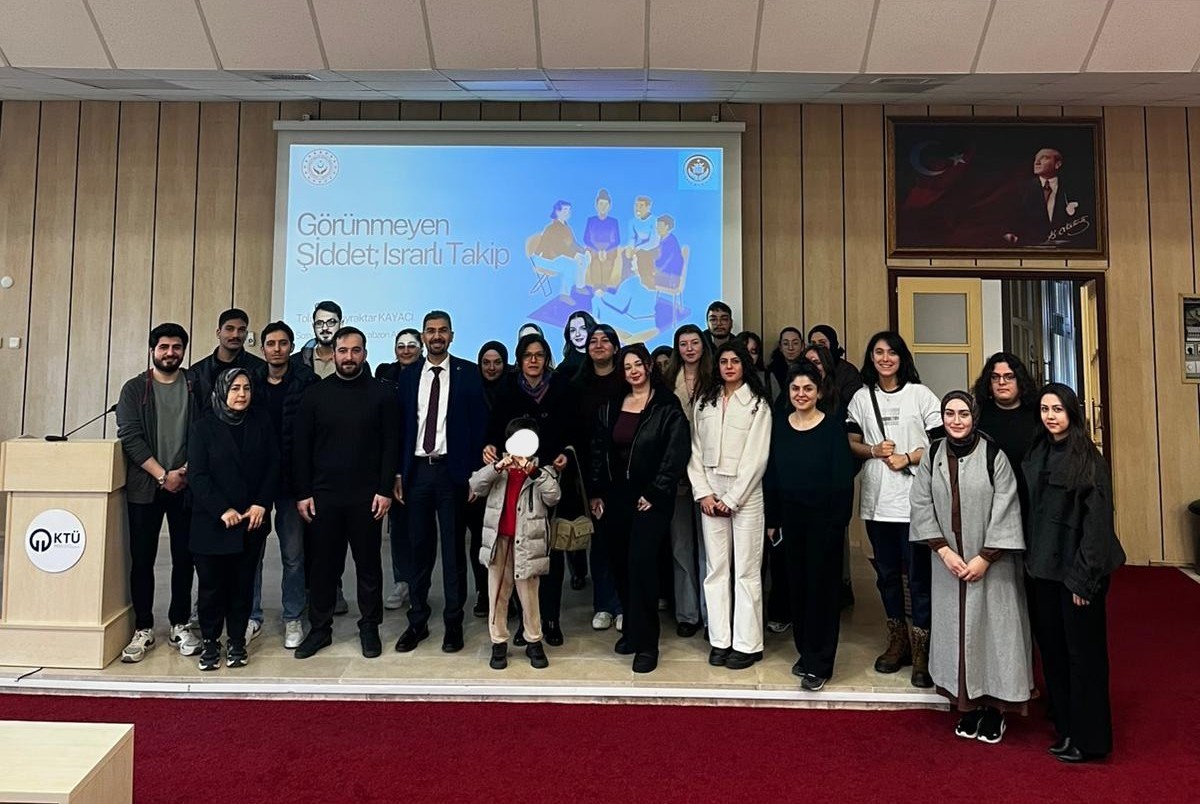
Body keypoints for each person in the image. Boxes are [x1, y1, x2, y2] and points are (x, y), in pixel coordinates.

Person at [909, 391, 1033, 743]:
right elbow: (920, 502)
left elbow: (1007, 507)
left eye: (963, 413)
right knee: (957, 634)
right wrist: (943, 551)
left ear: (974, 417)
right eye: (949, 413)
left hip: (991, 564)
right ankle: (969, 706)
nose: (956, 420)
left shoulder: (994, 455)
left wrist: (985, 557)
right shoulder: (932, 454)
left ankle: (996, 709)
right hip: (949, 563)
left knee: (995, 634)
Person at [1023, 383, 1125, 763]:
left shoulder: (1089, 459)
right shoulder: (1038, 451)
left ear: (1072, 413)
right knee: (1053, 652)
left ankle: (1090, 739)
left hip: (1079, 571)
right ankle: (1067, 728)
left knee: (1084, 657)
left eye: (1058, 409)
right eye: (1045, 409)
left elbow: (1097, 526)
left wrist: (1084, 578)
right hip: (1044, 569)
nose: (1050, 416)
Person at [292, 326, 399, 659]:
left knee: (368, 567)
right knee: (323, 568)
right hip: (324, 497)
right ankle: (320, 629)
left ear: (365, 354)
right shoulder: (315, 395)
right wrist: (303, 492)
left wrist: (385, 490)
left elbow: (390, 446)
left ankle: (369, 626)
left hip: (368, 498)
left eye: (355, 350)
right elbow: (301, 448)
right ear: (333, 354)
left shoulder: (383, 394)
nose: (349, 357)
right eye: (343, 351)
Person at [846, 331, 943, 688]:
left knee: (918, 578)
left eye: (891, 352)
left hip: (913, 503)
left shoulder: (920, 394)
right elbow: (851, 442)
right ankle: (897, 641)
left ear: (902, 357)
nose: (885, 358)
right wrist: (873, 451)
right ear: (870, 358)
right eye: (878, 352)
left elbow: (940, 440)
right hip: (877, 502)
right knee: (886, 575)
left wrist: (909, 457)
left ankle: (923, 650)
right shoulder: (861, 397)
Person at [589, 344, 690, 673]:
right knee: (620, 565)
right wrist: (596, 493)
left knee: (641, 566)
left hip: (650, 499)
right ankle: (632, 631)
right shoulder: (611, 405)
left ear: (648, 366)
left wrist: (656, 491)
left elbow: (676, 452)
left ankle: (647, 645)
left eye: (637, 365)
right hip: (615, 498)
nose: (632, 371)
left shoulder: (666, 404)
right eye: (626, 366)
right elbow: (598, 450)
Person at [394, 311, 488, 654]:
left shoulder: (468, 373)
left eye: (442, 331)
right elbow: (401, 427)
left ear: (452, 335)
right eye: (431, 331)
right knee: (418, 550)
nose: (436, 336)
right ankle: (417, 621)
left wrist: (476, 476)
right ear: (423, 336)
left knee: (453, 552)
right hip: (417, 472)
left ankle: (453, 623)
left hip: (453, 473)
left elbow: (480, 426)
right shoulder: (409, 375)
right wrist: (398, 473)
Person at [764, 361, 856, 691]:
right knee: (798, 590)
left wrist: (837, 523)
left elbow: (843, 481)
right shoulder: (779, 426)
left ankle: (820, 663)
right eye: (795, 388)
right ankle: (805, 652)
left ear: (819, 392)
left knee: (822, 594)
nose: (801, 394)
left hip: (825, 524)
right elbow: (772, 475)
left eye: (808, 388)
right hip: (790, 521)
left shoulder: (831, 429)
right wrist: (773, 519)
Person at [116, 323, 205, 662]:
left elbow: (206, 430)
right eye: (164, 347)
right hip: (146, 488)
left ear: (184, 350)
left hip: (187, 485)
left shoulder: (196, 385)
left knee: (185, 558)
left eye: (176, 347)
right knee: (142, 559)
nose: (170, 353)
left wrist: (184, 472)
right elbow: (130, 437)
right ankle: (143, 628)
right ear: (152, 350)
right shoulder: (134, 389)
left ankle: (180, 623)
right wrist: (163, 475)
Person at [484, 332, 573, 646]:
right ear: (519, 360)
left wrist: (566, 452)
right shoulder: (508, 389)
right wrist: (489, 446)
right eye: (527, 355)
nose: (533, 360)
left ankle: (551, 619)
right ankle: (526, 624)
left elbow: (574, 428)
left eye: (539, 355)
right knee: (519, 557)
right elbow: (494, 429)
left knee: (548, 552)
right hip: (517, 479)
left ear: (546, 358)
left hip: (548, 475)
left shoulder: (561, 386)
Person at [187, 369, 279, 670]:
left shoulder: (262, 421)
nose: (241, 394)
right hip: (212, 522)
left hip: (251, 521)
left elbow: (273, 465)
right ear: (222, 391)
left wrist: (262, 504)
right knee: (211, 587)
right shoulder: (203, 427)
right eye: (235, 388)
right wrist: (221, 509)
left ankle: (237, 641)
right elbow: (198, 476)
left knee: (242, 585)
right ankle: (210, 641)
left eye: (246, 388)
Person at [689, 340, 773, 670]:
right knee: (716, 569)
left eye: (735, 361)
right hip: (711, 491)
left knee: (747, 570)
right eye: (723, 361)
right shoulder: (704, 401)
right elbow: (694, 450)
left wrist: (733, 498)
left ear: (744, 365)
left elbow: (757, 456)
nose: (728, 367)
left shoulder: (757, 404)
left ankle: (747, 644)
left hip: (745, 493)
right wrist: (703, 493)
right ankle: (720, 640)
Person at [470, 417, 562, 671]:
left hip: (528, 542)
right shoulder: (498, 467)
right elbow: (475, 485)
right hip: (499, 540)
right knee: (498, 593)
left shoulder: (542, 470)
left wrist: (533, 472)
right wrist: (497, 466)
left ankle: (534, 641)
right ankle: (498, 642)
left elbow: (554, 496)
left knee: (529, 595)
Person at [249, 321, 317, 649]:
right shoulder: (249, 381)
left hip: (293, 482)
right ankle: (251, 615)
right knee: (253, 553)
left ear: (291, 347)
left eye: (283, 343)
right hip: (257, 481)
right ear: (263, 348)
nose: (277, 349)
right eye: (271, 344)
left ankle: (293, 616)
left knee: (293, 555)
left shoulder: (308, 381)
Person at [571, 325, 625, 631]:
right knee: (601, 543)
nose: (599, 345)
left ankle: (622, 604)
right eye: (593, 340)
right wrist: (589, 487)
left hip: (625, 476)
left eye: (606, 340)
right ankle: (603, 604)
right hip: (591, 476)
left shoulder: (627, 383)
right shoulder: (577, 386)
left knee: (623, 543)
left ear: (616, 347)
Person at [662, 325, 713, 637]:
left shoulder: (715, 379)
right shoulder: (667, 382)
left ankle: (711, 615)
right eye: (684, 344)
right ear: (676, 348)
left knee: (709, 547)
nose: (690, 348)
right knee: (681, 544)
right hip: (677, 473)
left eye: (695, 343)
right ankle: (687, 613)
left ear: (703, 346)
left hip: (710, 474)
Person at [803, 341, 857, 611]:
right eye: (807, 363)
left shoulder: (839, 402)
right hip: (800, 492)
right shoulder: (791, 400)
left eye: (817, 362)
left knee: (830, 554)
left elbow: (846, 455)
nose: (812, 367)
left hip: (830, 492)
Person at [463, 340, 510, 615]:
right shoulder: (470, 391)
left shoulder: (513, 391)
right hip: (478, 478)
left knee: (506, 539)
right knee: (481, 539)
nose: (491, 368)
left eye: (497, 362)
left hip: (508, 477)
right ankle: (484, 592)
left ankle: (508, 596)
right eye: (486, 363)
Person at [972, 352, 1041, 513]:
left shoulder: (1037, 414)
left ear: (1020, 380)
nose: (1001, 382)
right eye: (995, 377)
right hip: (989, 499)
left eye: (1009, 376)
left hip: (1030, 497)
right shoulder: (977, 414)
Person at [190, 308, 266, 406]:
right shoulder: (198, 371)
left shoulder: (260, 369)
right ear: (218, 333)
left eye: (241, 330)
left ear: (246, 334)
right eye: (230, 329)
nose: (235, 335)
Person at [1003, 148, 1078, 247]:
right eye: (1036, 159)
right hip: (1030, 248)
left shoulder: (1072, 189)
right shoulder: (1021, 189)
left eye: (1044, 158)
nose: (1037, 162)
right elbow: (1010, 222)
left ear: (1057, 164)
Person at [532, 200, 589, 300]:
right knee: (570, 265)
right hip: (549, 259)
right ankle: (564, 295)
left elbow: (573, 243)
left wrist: (583, 251)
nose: (568, 212)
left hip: (560, 257)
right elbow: (558, 248)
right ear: (557, 211)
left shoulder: (566, 227)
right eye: (565, 210)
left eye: (569, 210)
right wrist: (574, 255)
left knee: (585, 257)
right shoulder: (552, 228)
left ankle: (580, 286)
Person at [808, 324, 863, 409]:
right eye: (813, 344)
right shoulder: (805, 368)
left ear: (832, 344)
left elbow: (852, 404)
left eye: (822, 343)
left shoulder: (848, 372)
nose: (817, 348)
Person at [583, 189, 622, 291]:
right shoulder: (591, 220)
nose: (603, 207)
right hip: (594, 248)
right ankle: (596, 287)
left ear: (609, 206)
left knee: (608, 262)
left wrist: (605, 250)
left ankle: (604, 287)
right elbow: (586, 239)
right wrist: (597, 250)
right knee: (595, 261)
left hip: (609, 249)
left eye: (606, 204)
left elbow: (617, 240)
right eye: (601, 204)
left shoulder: (613, 221)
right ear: (596, 205)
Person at [296, 300, 343, 379]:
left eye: (331, 322)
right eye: (319, 323)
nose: (324, 328)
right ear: (313, 326)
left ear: (341, 324)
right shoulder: (296, 362)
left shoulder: (352, 361)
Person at [624, 195, 660, 284]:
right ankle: (628, 283)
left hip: (652, 249)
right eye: (636, 205)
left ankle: (647, 283)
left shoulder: (654, 221)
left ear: (648, 207)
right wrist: (630, 248)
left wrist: (638, 248)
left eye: (641, 206)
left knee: (642, 255)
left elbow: (654, 241)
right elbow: (632, 238)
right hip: (637, 249)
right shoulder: (632, 222)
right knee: (624, 254)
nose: (638, 208)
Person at [766, 327, 805, 405]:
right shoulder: (771, 371)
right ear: (780, 347)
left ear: (802, 346)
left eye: (795, 343)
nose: (790, 348)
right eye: (786, 344)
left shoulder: (809, 369)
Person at [557, 311, 597, 378]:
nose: (577, 334)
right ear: (569, 336)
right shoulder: (564, 368)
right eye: (573, 330)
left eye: (583, 328)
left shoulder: (607, 358)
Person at [653, 214, 684, 289]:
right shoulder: (661, 240)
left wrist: (653, 270)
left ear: (667, 227)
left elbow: (664, 262)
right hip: (663, 274)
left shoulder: (671, 241)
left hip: (670, 278)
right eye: (657, 226)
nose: (657, 228)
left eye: (659, 226)